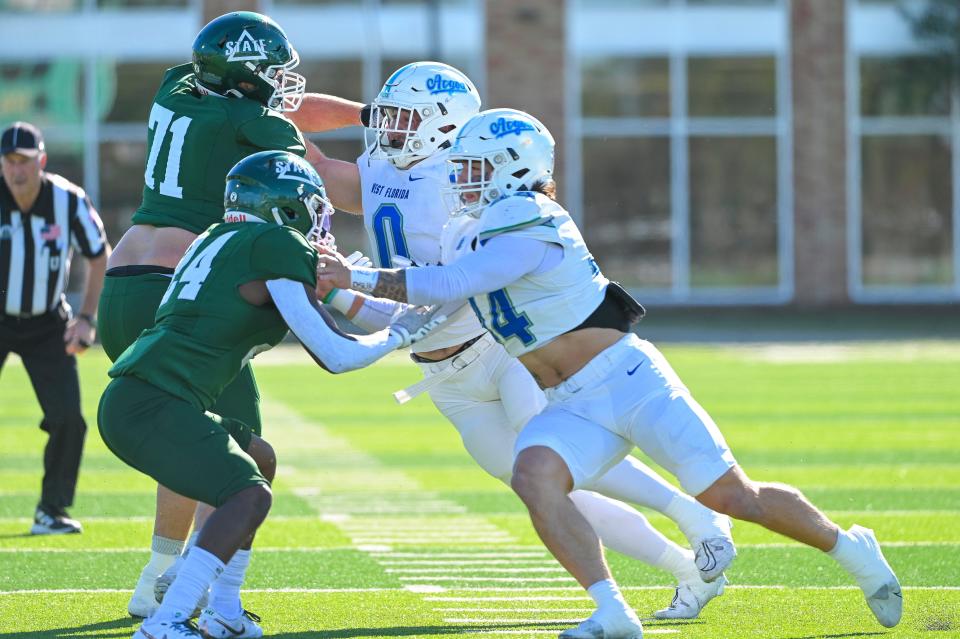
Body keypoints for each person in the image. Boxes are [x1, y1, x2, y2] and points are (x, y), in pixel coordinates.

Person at [316, 108, 904, 639]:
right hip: (568, 399)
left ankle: (851, 548)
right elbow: (438, 293)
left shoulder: (531, 216)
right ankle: (612, 612)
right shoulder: (470, 225)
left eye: (471, 166)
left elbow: (448, 284)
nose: (459, 177)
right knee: (534, 477)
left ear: (510, 167)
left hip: (628, 381)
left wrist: (354, 277)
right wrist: (352, 295)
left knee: (734, 496)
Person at [309, 62, 731, 619]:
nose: (388, 128)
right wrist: (258, 118)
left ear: (442, 125)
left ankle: (695, 516)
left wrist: (366, 292)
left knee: (566, 463)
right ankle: (685, 568)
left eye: (403, 117)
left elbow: (461, 280)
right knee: (550, 490)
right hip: (442, 372)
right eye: (387, 116)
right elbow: (312, 161)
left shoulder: (464, 178)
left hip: (493, 348)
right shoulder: (388, 159)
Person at [100, 150, 443, 639]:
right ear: (286, 207)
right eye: (312, 206)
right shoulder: (275, 244)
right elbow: (335, 355)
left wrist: (335, 289)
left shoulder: (216, 238)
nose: (319, 219)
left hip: (145, 395)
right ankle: (168, 620)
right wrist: (399, 335)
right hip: (155, 402)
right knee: (247, 495)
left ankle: (223, 608)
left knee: (259, 458)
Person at [94, 10, 365, 618]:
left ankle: (160, 576)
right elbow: (330, 180)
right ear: (246, 77)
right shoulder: (250, 122)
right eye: (272, 72)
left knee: (194, 434)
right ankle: (198, 593)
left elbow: (288, 109)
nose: (283, 84)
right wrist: (411, 178)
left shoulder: (179, 87)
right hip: (178, 291)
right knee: (238, 457)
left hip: (125, 282)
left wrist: (370, 116)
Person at [0, 121, 109, 536]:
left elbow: (99, 255)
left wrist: (86, 319)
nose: (16, 170)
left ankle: (52, 509)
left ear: (40, 161)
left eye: (24, 161)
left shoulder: (67, 200)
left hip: (47, 321)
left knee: (68, 418)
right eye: (9, 162)